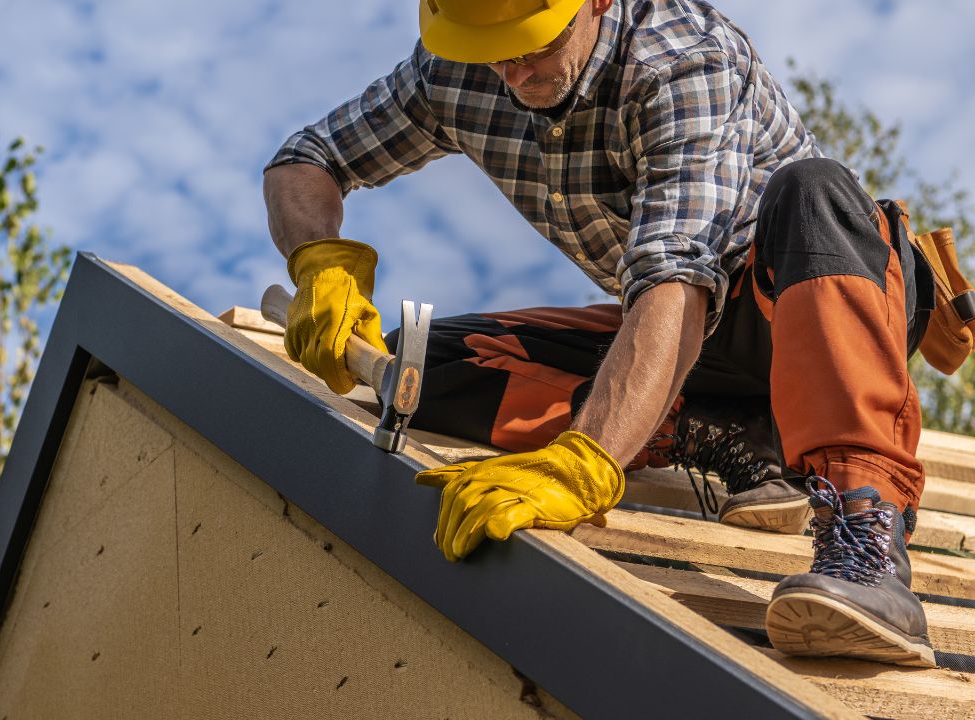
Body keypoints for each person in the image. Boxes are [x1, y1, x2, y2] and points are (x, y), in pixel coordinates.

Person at [262, 0, 934, 667]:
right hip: (692, 333)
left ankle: (865, 538)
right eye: (491, 51)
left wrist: (592, 458)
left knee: (815, 189)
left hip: (807, 305)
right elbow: (305, 159)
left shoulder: (679, 60)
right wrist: (320, 262)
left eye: (533, 47)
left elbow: (677, 277)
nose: (513, 74)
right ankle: (728, 430)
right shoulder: (457, 68)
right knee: (418, 363)